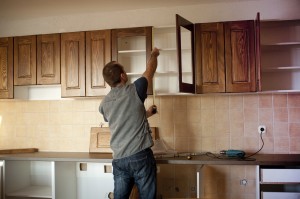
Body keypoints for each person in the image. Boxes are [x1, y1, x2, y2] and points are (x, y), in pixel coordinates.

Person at [99, 47, 160, 199]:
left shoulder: (104, 104)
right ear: (123, 76)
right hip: (140, 156)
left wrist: (146, 114)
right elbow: (150, 70)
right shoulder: (136, 90)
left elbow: (122, 119)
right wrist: (154, 54)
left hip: (119, 160)